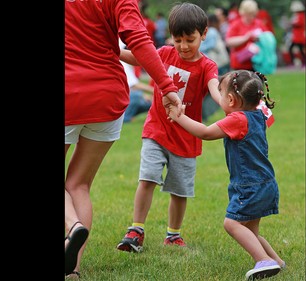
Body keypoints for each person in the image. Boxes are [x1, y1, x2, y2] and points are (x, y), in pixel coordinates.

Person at [65, 0, 182, 278]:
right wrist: (166, 86)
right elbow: (139, 39)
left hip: (69, 92)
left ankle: (72, 227)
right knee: (78, 184)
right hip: (108, 96)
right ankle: (73, 269)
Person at [116, 2, 221, 252]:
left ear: (204, 34)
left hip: (187, 138)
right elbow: (138, 55)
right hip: (156, 130)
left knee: (179, 190)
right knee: (147, 178)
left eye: (190, 39)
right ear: (170, 37)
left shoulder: (207, 66)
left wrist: (225, 103)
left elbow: (215, 87)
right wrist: (113, 49)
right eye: (178, 39)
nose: (183, 46)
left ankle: (173, 234)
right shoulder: (163, 53)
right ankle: (136, 229)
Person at [167, 70, 285, 280]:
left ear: (231, 99)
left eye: (221, 94)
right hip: (266, 182)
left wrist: (179, 117)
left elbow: (204, 133)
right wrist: (216, 83)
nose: (218, 97)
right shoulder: (259, 113)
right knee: (250, 231)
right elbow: (236, 99)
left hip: (249, 186)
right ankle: (276, 261)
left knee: (231, 224)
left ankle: (263, 261)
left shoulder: (237, 120)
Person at [199, 13, 230, 122]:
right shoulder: (214, 32)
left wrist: (196, 45)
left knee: (213, 91)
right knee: (212, 91)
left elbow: (210, 45)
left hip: (219, 65)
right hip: (221, 64)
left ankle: (204, 114)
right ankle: (203, 114)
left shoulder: (211, 31)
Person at [225, 0, 268, 72]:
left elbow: (268, 39)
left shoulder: (259, 23)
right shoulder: (235, 24)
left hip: (256, 64)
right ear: (243, 12)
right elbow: (229, 42)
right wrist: (246, 38)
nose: (251, 17)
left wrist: (260, 39)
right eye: (248, 14)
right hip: (239, 65)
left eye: (253, 14)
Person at [119, 41, 153, 123]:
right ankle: (125, 118)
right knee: (136, 95)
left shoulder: (128, 65)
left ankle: (127, 115)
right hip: (121, 98)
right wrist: (158, 91)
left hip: (123, 96)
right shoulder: (123, 63)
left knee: (147, 101)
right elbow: (134, 86)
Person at [288, 0, 306, 67]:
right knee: (291, 49)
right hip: (296, 36)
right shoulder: (296, 15)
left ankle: (303, 62)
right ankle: (293, 62)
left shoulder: (301, 15)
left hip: (300, 36)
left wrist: (293, 23)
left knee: (301, 50)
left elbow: (300, 23)